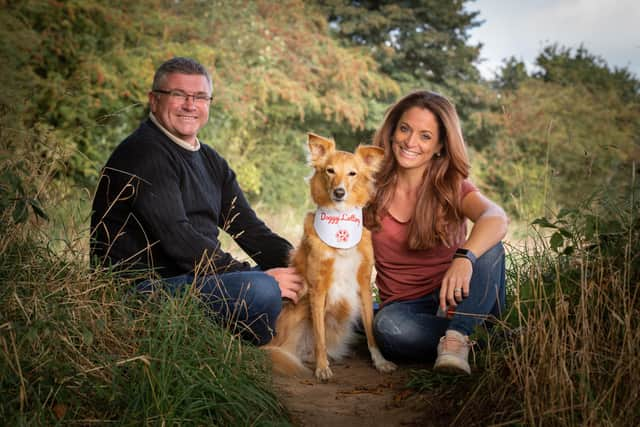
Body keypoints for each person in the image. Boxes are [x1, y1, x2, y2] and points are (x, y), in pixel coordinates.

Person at [90, 57, 303, 345]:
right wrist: (267, 280)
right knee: (262, 289)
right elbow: (181, 242)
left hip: (196, 281)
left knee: (294, 284)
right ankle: (262, 332)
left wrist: (301, 267)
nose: (191, 105)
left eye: (200, 97)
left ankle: (285, 325)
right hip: (142, 291)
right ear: (154, 100)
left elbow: (250, 229)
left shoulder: (211, 161)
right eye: (179, 95)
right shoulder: (144, 153)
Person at [364, 90, 508, 374]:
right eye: (404, 129)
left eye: (425, 136)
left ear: (440, 145)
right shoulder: (369, 188)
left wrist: (464, 258)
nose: (410, 142)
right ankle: (486, 341)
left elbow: (496, 217)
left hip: (464, 297)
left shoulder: (450, 185)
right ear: (392, 131)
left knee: (491, 247)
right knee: (387, 327)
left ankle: (457, 338)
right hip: (406, 310)